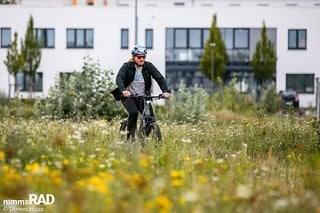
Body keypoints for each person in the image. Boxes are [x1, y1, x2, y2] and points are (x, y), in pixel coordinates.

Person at [115, 45, 171, 141]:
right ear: (134, 57)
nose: (142, 59)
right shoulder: (127, 66)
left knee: (150, 118)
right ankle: (130, 139)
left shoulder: (148, 66)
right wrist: (123, 90)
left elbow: (160, 78)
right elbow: (119, 78)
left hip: (143, 97)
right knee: (133, 112)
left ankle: (142, 139)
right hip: (129, 96)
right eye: (139, 57)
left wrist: (165, 91)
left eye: (143, 57)